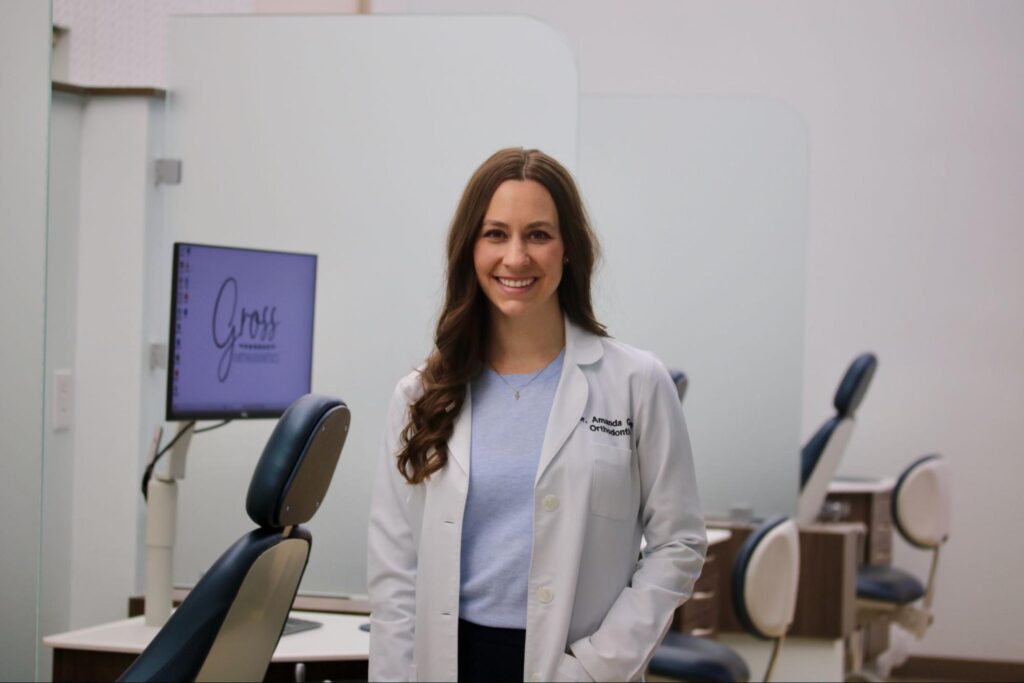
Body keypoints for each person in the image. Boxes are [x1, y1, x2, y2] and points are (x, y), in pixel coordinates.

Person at [367, 148, 706, 682]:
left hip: (574, 666)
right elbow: (395, 573)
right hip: (450, 663)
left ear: (569, 248)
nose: (516, 257)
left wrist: (595, 667)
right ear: (470, 248)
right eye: (496, 234)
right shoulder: (421, 395)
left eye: (539, 235)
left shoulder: (635, 382)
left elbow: (678, 544)